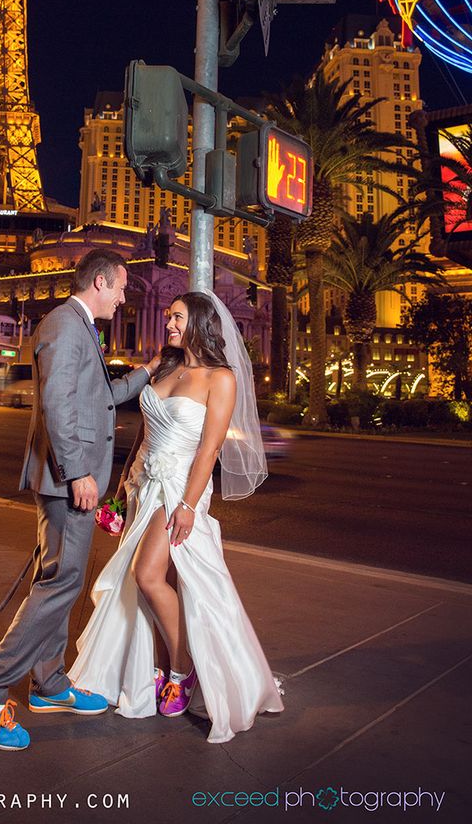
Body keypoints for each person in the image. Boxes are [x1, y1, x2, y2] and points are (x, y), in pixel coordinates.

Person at [0, 248, 159, 751]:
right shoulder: (66, 325)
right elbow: (57, 404)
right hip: (69, 479)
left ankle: (49, 684)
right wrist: (77, 474)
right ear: (99, 281)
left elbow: (100, 396)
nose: (122, 295)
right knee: (61, 582)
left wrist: (149, 370)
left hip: (69, 477)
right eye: (119, 286)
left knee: (59, 579)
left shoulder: (78, 325)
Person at [70, 290, 284, 743]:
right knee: (143, 580)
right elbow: (145, 438)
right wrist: (121, 491)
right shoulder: (166, 367)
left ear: (201, 323)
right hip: (145, 485)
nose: (168, 324)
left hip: (181, 489)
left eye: (178, 318)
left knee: (147, 575)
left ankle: (182, 669)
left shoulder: (219, 378)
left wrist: (188, 505)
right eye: (168, 317)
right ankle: (161, 663)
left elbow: (209, 450)